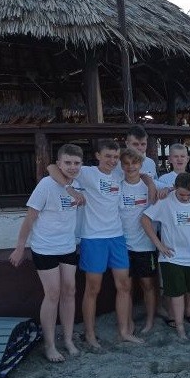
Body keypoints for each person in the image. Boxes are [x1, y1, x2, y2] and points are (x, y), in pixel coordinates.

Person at [47, 139, 151, 348]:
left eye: (115, 157)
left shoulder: (119, 172)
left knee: (124, 285)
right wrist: (70, 189)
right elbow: (51, 167)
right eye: (108, 156)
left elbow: (142, 173)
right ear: (98, 156)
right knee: (93, 288)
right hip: (93, 238)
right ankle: (90, 334)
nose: (112, 161)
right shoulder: (87, 173)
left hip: (117, 237)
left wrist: (150, 183)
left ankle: (124, 332)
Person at [9, 144, 83, 362]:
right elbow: (30, 217)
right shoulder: (46, 185)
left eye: (76, 163)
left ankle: (67, 339)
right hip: (45, 247)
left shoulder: (78, 183)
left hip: (68, 246)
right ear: (59, 163)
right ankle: (50, 345)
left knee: (70, 291)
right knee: (52, 293)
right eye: (67, 163)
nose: (72, 167)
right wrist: (20, 247)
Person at [141, 172, 190, 339]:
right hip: (171, 257)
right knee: (176, 294)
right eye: (181, 194)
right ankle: (180, 328)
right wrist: (159, 244)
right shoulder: (165, 201)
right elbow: (145, 219)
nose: (185, 198)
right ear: (174, 188)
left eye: (189, 194)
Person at [118, 147, 159, 334]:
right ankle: (129, 322)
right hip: (123, 245)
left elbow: (175, 188)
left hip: (146, 245)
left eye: (134, 163)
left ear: (141, 164)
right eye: (126, 163)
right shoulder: (118, 186)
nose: (130, 167)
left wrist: (153, 184)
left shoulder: (152, 185)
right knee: (125, 287)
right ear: (121, 165)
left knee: (148, 285)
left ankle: (150, 320)